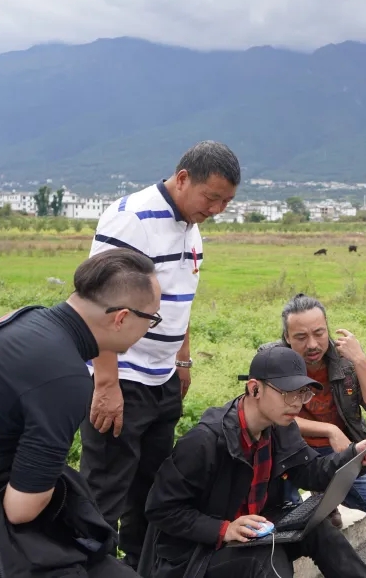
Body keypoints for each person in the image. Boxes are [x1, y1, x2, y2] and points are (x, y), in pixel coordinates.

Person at [0, 248, 161, 578]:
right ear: (122, 318)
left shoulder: (31, 322)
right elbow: (21, 509)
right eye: (151, 319)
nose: (150, 328)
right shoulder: (64, 377)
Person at [80, 140, 241, 567]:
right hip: (123, 377)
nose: (217, 209)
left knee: (151, 489)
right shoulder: (132, 219)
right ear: (183, 178)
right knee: (105, 489)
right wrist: (106, 384)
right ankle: (89, 568)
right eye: (212, 197)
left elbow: (178, 302)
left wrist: (181, 361)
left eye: (226, 202)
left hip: (162, 378)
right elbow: (98, 306)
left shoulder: (191, 226)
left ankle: (140, 568)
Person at [140, 345, 366, 578]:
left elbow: (309, 472)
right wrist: (224, 529)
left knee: (320, 530)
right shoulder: (204, 442)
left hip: (255, 532)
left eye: (302, 393)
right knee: (268, 559)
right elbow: (161, 509)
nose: (297, 403)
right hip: (199, 553)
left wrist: (353, 456)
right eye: (288, 393)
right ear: (255, 389)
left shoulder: (280, 426)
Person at [263, 293, 366, 522]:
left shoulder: (344, 360)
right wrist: (329, 429)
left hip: (340, 450)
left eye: (319, 333)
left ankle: (325, 495)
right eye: (301, 337)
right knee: (287, 517)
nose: (312, 345)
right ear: (287, 336)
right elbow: (268, 413)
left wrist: (360, 360)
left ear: (327, 328)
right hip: (292, 451)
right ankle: (304, 504)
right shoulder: (272, 360)